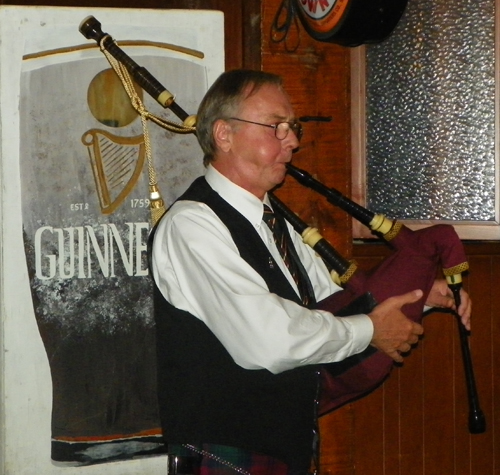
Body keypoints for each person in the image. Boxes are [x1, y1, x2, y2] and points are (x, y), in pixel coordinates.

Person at [150, 69, 471, 475]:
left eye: (293, 126)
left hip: (285, 449)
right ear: (224, 134)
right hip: (227, 453)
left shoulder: (276, 224)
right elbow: (268, 340)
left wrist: (418, 296)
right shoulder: (192, 225)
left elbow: (334, 307)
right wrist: (372, 329)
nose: (293, 141)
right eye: (276, 127)